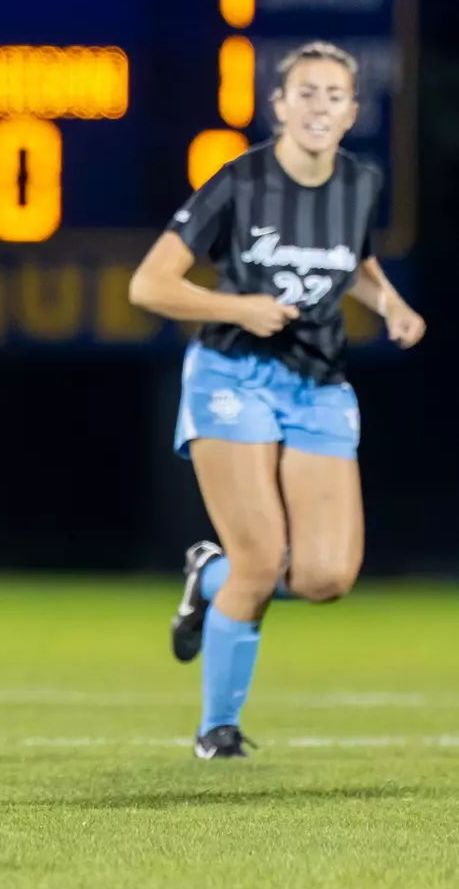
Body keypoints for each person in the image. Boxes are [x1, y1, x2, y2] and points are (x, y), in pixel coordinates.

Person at [128, 41, 425, 759]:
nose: (320, 106)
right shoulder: (239, 181)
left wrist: (390, 303)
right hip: (232, 373)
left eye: (334, 95)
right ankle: (217, 731)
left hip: (317, 381)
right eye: (306, 93)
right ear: (279, 105)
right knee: (262, 561)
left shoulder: (360, 182)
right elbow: (148, 285)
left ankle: (210, 575)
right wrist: (239, 308)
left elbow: (355, 260)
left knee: (327, 577)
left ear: (352, 112)